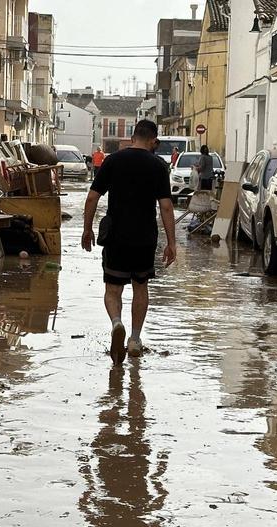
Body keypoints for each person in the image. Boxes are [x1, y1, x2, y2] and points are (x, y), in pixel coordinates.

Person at [82, 119, 177, 365]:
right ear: (153, 140)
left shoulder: (113, 161)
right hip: (145, 237)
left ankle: (116, 323)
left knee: (113, 289)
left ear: (133, 137)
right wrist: (171, 243)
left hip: (116, 236)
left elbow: (92, 198)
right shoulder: (158, 166)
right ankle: (134, 339)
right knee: (140, 286)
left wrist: (87, 230)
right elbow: (166, 206)